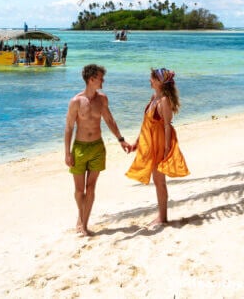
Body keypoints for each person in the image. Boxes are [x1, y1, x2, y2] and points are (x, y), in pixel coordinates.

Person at [65, 63, 131, 235]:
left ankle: (84, 225)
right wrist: (67, 153)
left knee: (91, 187)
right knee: (80, 191)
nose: (103, 81)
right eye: (101, 78)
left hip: (97, 147)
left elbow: (109, 120)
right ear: (91, 79)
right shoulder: (76, 101)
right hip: (79, 148)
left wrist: (121, 140)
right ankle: (81, 216)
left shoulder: (102, 99)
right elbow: (69, 128)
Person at [126, 67, 189, 225]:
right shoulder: (154, 97)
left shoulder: (164, 101)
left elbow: (167, 126)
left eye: (152, 78)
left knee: (160, 181)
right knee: (157, 179)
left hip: (160, 143)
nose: (150, 80)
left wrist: (167, 148)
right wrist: (137, 142)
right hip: (151, 141)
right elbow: (146, 124)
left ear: (160, 82)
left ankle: (162, 217)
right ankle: (161, 215)